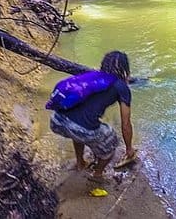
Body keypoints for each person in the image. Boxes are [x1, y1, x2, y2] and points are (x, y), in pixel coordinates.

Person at [50, 51, 136, 179]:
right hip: (79, 128)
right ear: (125, 68)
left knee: (79, 125)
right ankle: (97, 174)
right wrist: (129, 149)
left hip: (57, 120)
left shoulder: (92, 76)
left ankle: (80, 163)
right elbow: (125, 124)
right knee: (112, 141)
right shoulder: (121, 87)